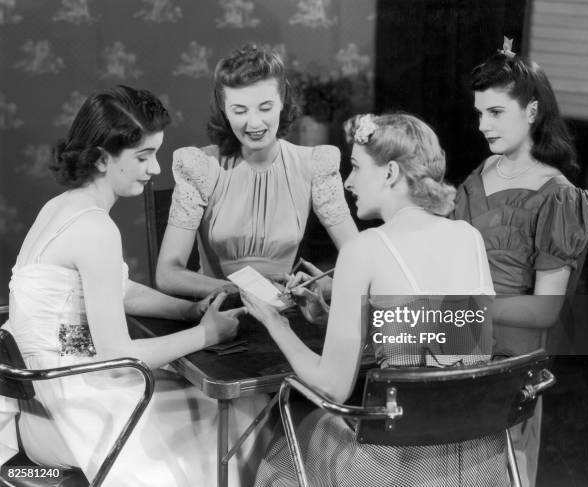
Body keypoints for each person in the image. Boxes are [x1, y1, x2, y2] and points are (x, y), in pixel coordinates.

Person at [0, 85, 262, 487]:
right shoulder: (95, 228)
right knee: (241, 410)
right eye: (144, 156)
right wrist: (205, 333)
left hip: (41, 405)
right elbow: (119, 353)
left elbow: (114, 290)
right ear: (103, 159)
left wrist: (186, 309)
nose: (155, 169)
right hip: (71, 420)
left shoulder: (61, 207)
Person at [242, 113, 509, 486]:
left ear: (390, 173)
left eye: (354, 167)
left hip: (395, 470)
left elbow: (332, 387)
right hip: (478, 463)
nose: (347, 182)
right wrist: (335, 316)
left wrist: (276, 323)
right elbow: (448, 342)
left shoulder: (364, 249)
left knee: (289, 450)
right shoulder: (468, 237)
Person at [452, 39, 588, 487]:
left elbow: (546, 309)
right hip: (456, 347)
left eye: (495, 112)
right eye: (479, 113)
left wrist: (468, 305)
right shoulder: (481, 173)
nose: (482, 125)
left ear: (532, 111)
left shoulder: (557, 195)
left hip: (508, 362)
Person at [155, 43, 357, 299]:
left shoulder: (314, 165)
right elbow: (167, 275)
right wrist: (240, 292)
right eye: (239, 110)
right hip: (220, 317)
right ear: (224, 110)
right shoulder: (201, 167)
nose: (254, 123)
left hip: (286, 318)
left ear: (282, 101)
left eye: (265, 107)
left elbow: (360, 260)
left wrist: (321, 287)